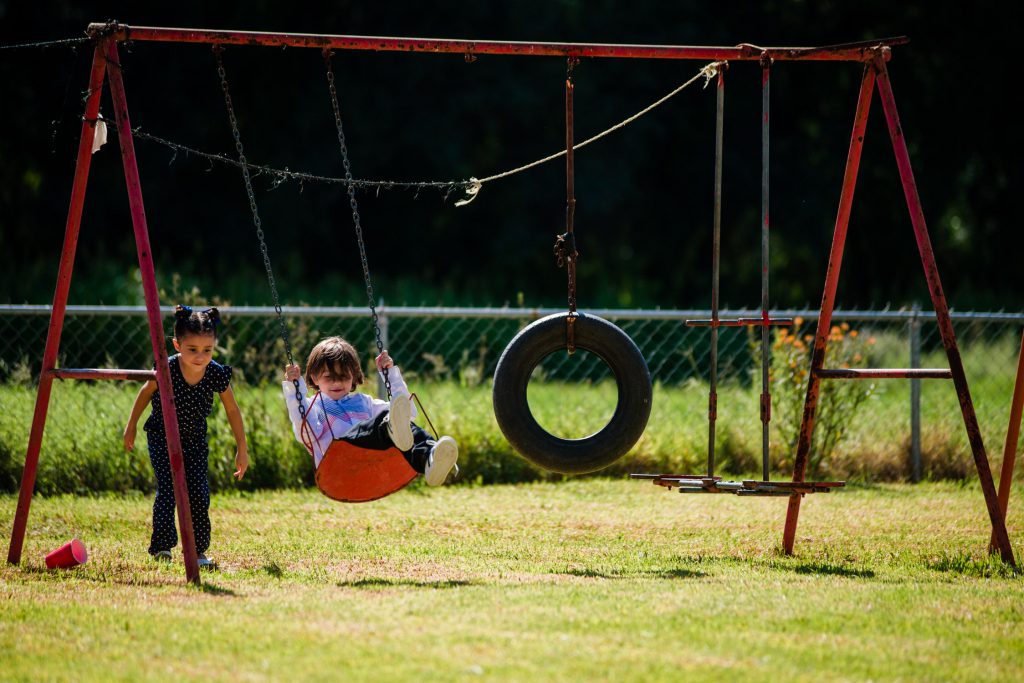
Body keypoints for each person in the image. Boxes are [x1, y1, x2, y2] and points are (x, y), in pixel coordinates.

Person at [123, 305, 249, 568]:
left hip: (194, 440)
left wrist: (242, 447)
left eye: (208, 350)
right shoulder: (166, 368)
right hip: (162, 436)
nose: (200, 356)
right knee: (168, 490)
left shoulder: (215, 372)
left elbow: (232, 409)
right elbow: (146, 392)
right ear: (177, 345)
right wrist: (132, 424)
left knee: (199, 495)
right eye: (193, 349)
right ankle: (162, 547)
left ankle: (198, 551)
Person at [282, 336, 458, 486]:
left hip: (373, 462)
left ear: (353, 377)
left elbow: (407, 411)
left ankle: (430, 459)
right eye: (329, 377)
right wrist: (294, 389)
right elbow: (307, 433)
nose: (337, 383)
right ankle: (390, 429)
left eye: (343, 376)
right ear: (314, 378)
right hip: (339, 463)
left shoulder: (363, 402)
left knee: (401, 422)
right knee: (385, 421)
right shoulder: (313, 406)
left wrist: (390, 375)